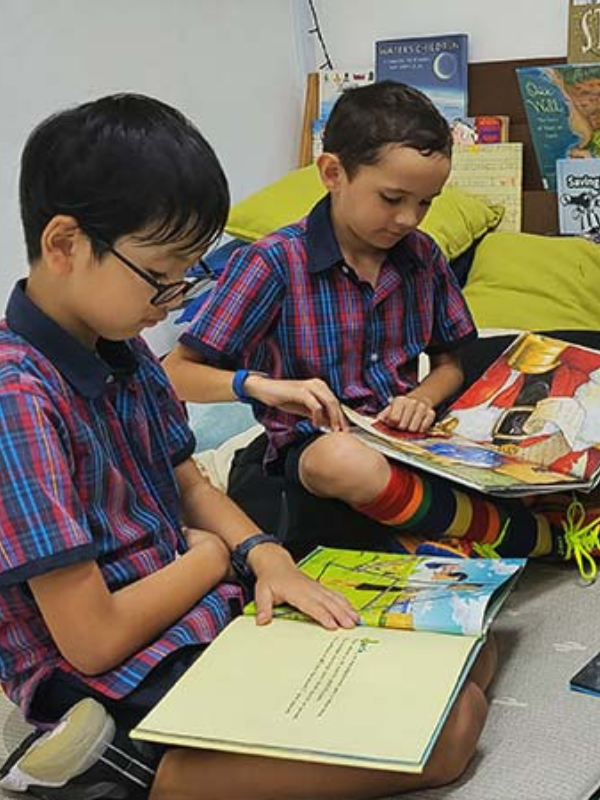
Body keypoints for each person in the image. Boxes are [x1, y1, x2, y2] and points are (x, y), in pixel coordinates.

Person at [0, 92, 492, 800]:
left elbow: (190, 482)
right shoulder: (18, 396)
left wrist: (267, 558)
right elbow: (91, 639)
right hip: (116, 672)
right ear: (65, 245)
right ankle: (118, 769)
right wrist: (209, 558)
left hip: (205, 611)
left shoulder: (125, 350)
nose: (172, 302)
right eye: (165, 277)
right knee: (447, 735)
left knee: (472, 656)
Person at [164, 79, 600, 578]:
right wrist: (261, 386)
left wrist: (424, 397)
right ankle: (546, 538)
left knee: (564, 403)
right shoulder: (273, 263)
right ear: (333, 173)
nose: (408, 219)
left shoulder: (422, 257)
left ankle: (485, 524)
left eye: (426, 203)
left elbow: (451, 362)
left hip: (416, 439)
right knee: (347, 461)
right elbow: (175, 373)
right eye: (392, 198)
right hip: (318, 448)